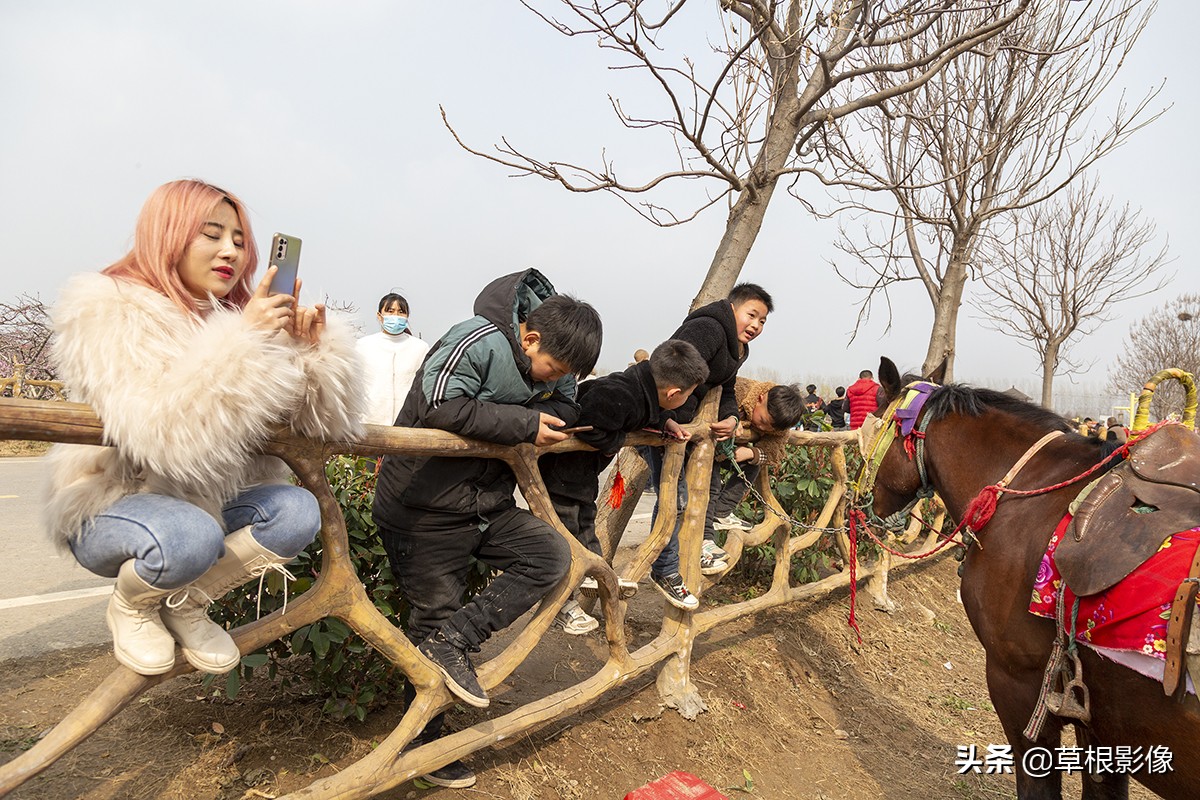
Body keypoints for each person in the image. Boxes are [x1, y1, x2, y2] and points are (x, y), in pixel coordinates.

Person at [44, 179, 365, 679]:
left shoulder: (241, 319)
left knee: (296, 511)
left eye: (239, 240)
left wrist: (308, 355)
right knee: (189, 534)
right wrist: (244, 341)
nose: (230, 251)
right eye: (211, 234)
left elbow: (318, 428)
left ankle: (186, 602)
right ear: (167, 235)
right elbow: (166, 436)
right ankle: (132, 605)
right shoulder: (111, 308)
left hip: (209, 502)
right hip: (116, 502)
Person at [372, 268, 601, 788]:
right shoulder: (476, 339)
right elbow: (440, 406)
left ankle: (456, 639)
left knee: (550, 556)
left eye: (564, 373)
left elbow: (566, 405)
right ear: (530, 337)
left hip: (485, 503)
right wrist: (524, 421)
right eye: (551, 369)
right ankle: (426, 745)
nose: (552, 380)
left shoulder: (558, 360)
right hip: (424, 505)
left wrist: (542, 411)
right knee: (433, 613)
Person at [539, 339, 709, 633]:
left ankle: (595, 573)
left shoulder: (641, 388)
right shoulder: (619, 394)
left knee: (585, 522)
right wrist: (619, 440)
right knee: (564, 535)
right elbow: (590, 424)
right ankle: (560, 604)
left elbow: (646, 413)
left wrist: (665, 422)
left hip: (580, 474)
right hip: (561, 472)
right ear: (673, 393)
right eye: (689, 394)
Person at [642, 283, 772, 611]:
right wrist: (664, 418)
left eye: (762, 321)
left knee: (689, 495)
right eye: (752, 315)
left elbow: (725, 390)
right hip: (660, 419)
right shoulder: (708, 329)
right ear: (732, 308)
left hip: (682, 427)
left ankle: (689, 552)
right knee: (675, 498)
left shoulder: (737, 348)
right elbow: (667, 372)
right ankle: (664, 569)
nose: (756, 325)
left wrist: (730, 417)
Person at [703, 379, 804, 572]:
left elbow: (774, 451)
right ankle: (705, 540)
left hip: (725, 452)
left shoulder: (779, 424)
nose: (764, 429)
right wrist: (732, 420)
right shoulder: (738, 389)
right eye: (763, 422)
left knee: (752, 465)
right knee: (712, 487)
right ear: (760, 398)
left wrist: (751, 453)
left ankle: (722, 511)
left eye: (770, 429)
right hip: (703, 450)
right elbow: (714, 407)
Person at [356, 292, 431, 426]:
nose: (396, 316)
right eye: (390, 311)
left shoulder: (420, 348)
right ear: (379, 315)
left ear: (407, 316)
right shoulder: (363, 345)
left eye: (401, 312)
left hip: (407, 423)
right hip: (370, 420)